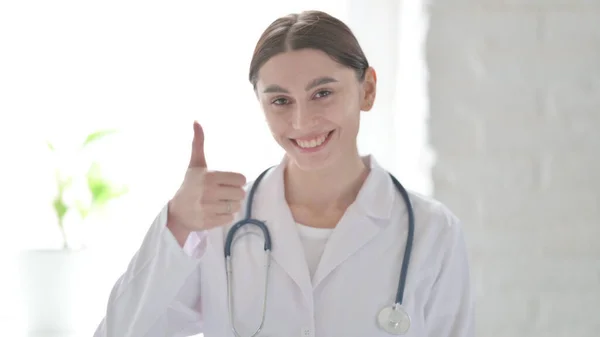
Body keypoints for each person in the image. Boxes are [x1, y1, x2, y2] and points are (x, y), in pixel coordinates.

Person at [93, 10, 474, 337]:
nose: (302, 121)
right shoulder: (217, 224)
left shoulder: (432, 232)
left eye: (322, 93)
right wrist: (176, 223)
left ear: (367, 90)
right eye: (280, 101)